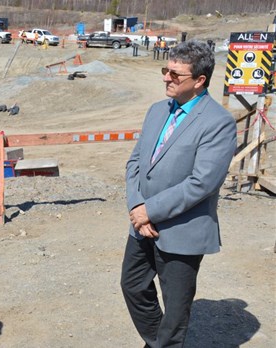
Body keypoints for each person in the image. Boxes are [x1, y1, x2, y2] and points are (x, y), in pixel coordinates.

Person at [121, 39, 237, 348]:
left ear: (200, 81)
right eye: (165, 70)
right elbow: (136, 162)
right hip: (141, 224)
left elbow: (202, 182)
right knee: (133, 286)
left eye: (175, 74)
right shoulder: (157, 110)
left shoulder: (218, 123)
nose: (166, 78)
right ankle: (160, 342)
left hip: (182, 230)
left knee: (175, 308)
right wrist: (138, 208)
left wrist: (150, 211)